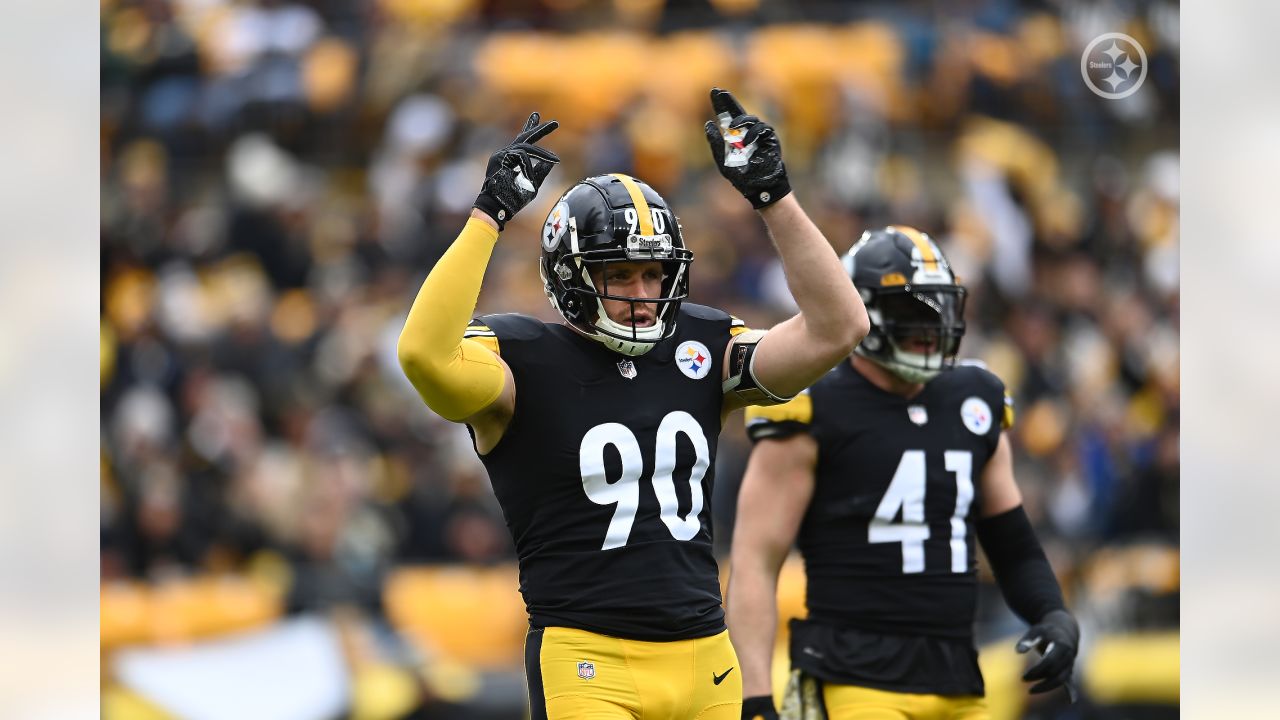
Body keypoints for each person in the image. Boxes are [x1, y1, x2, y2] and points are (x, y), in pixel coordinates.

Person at [396, 88, 868, 719]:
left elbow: (839, 328)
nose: (643, 294)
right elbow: (424, 356)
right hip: (590, 662)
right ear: (571, 275)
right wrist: (488, 217)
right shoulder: (519, 360)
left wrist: (773, 197)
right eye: (619, 275)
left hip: (708, 660)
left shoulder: (700, 346)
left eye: (654, 274)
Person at [728, 227, 1079, 720]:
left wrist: (1051, 611)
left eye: (940, 310)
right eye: (912, 311)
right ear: (862, 313)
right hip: (852, 678)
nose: (930, 327)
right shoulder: (812, 404)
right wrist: (756, 695)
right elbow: (755, 563)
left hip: (956, 678)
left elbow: (1011, 540)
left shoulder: (975, 398)